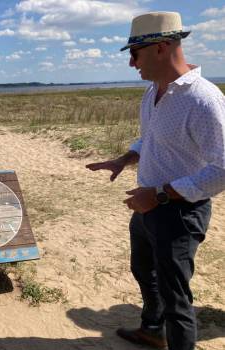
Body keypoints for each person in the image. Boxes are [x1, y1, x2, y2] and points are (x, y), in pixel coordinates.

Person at [86, 11, 225, 350]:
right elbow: (150, 139)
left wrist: (160, 196)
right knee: (144, 272)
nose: (132, 63)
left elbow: (223, 168)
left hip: (178, 213)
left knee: (176, 298)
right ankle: (151, 330)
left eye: (135, 53)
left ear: (161, 47)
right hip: (147, 206)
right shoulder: (152, 93)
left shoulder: (203, 99)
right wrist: (124, 159)